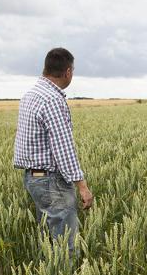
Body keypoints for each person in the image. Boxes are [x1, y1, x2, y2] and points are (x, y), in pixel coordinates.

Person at [13, 47, 93, 255]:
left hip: (34, 178)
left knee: (49, 241)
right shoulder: (53, 100)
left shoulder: (31, 94)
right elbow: (63, 148)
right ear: (68, 72)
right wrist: (82, 186)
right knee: (67, 245)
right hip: (51, 181)